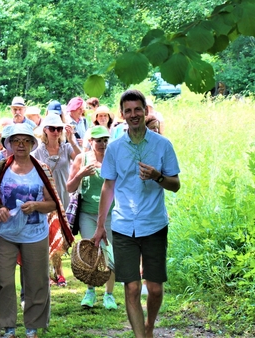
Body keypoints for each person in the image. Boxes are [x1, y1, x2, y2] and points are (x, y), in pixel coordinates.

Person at [92, 89, 180, 338]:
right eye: (128, 111)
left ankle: (150, 325)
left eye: (137, 109)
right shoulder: (115, 148)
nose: (133, 115)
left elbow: (175, 185)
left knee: (154, 288)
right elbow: (108, 186)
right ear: (122, 115)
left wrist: (157, 176)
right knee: (131, 288)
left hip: (153, 224)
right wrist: (100, 225)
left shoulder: (163, 145)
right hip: (123, 225)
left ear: (145, 111)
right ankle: (141, 336)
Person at [0, 123, 73, 338]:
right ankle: (8, 328)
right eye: (16, 140)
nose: (21, 145)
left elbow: (53, 203)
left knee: (37, 280)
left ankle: (32, 327)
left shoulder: (42, 169)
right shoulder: (0, 168)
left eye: (26, 140)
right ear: (10, 144)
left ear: (33, 144)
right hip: (4, 233)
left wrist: (35, 206)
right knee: (4, 282)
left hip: (35, 234)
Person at [65, 125, 117, 310]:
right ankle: (90, 291)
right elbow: (69, 187)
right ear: (91, 142)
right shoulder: (82, 158)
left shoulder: (113, 159)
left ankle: (109, 295)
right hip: (87, 213)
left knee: (110, 255)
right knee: (91, 252)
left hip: (110, 214)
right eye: (98, 140)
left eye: (105, 140)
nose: (102, 144)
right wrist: (82, 173)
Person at [31, 114, 80, 287]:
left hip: (65, 195)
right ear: (45, 130)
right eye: (52, 128)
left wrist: (72, 139)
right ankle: (58, 274)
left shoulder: (66, 148)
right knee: (53, 234)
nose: (56, 132)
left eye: (59, 129)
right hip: (48, 197)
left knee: (63, 237)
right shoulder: (37, 151)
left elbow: (82, 159)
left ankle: (54, 271)